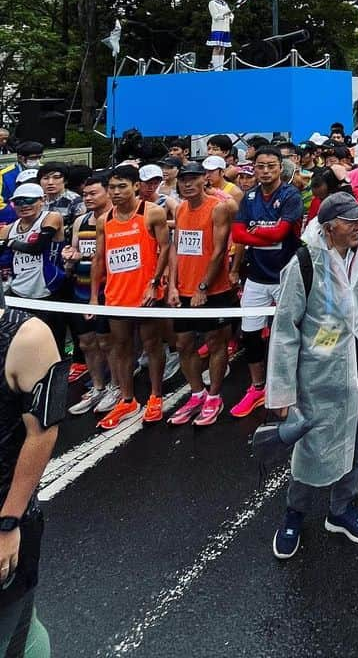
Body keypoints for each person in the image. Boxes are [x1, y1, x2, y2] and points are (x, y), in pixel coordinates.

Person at [267, 192, 358, 559]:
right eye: (350, 221)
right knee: (312, 444)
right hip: (319, 369)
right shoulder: (304, 262)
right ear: (328, 227)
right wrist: (283, 391)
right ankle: (295, 512)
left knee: (356, 441)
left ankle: (341, 508)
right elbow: (286, 329)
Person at [0, 304, 65, 655]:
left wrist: (9, 524)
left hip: (5, 517)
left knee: (12, 634)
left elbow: (43, 433)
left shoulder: (27, 337)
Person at [89, 165, 172, 429]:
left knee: (152, 345)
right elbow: (99, 259)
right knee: (121, 348)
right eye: (112, 187)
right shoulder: (104, 220)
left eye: (121, 186)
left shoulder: (153, 213)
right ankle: (127, 399)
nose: (115, 192)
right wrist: (94, 297)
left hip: (146, 295)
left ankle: (156, 395)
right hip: (116, 297)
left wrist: (154, 283)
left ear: (136, 186)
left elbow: (166, 247)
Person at [229, 146, 304, 419]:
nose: (265, 171)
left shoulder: (290, 195)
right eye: (260, 166)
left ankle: (288, 386)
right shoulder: (248, 197)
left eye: (271, 166)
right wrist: (265, 233)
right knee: (251, 335)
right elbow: (237, 234)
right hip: (256, 277)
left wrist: (256, 231)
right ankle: (257, 386)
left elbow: (282, 234)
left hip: (285, 274)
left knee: (289, 333)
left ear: (279, 167)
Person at [166, 162, 237, 427]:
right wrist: (173, 285)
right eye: (183, 179)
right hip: (184, 288)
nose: (187, 184)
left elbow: (219, 251)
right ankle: (196, 393)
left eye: (193, 179)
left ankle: (215, 396)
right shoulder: (181, 208)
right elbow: (176, 248)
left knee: (216, 342)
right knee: (183, 343)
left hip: (213, 290)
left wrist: (203, 287)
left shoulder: (217, 209)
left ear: (204, 180)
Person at [62, 172, 116, 417]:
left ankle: (116, 386)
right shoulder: (80, 221)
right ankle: (98, 387)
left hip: (109, 292)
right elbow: (74, 253)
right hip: (81, 288)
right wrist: (70, 258)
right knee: (87, 343)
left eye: (93, 193)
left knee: (108, 342)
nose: (88, 198)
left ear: (108, 192)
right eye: (85, 194)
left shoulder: (116, 219)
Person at [207, 0, 233, 72]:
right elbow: (215, 16)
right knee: (217, 47)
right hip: (217, 28)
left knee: (223, 48)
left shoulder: (225, 3)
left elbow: (231, 13)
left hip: (226, 28)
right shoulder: (212, 3)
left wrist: (230, 17)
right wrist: (225, 14)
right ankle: (216, 68)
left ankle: (221, 67)